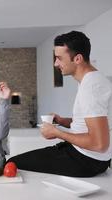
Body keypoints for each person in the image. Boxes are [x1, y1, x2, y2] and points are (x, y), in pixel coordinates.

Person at [7, 31, 112, 177]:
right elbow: (91, 123)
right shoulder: (93, 80)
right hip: (89, 157)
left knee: (12, 164)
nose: (56, 64)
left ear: (78, 59)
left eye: (59, 58)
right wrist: (63, 121)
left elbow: (99, 144)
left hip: (86, 160)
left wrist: (57, 133)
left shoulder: (91, 87)